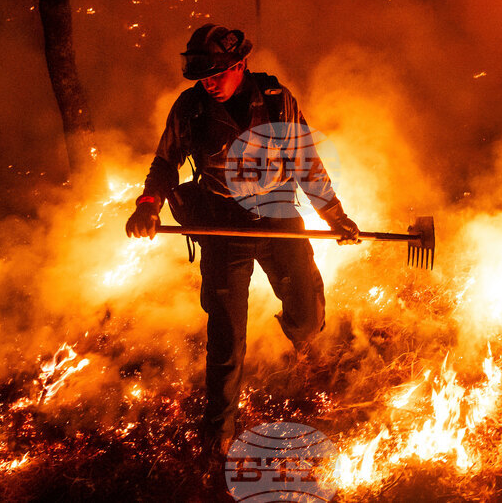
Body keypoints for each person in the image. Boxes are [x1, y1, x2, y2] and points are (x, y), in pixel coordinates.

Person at [125, 23, 360, 466]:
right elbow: (164, 163)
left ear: (240, 65)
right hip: (221, 223)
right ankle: (218, 437)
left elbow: (306, 162)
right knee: (227, 338)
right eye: (202, 76)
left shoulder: (275, 101)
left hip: (277, 214)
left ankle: (301, 343)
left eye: (216, 74)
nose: (208, 83)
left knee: (308, 315)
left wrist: (335, 215)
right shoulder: (191, 108)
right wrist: (148, 206)